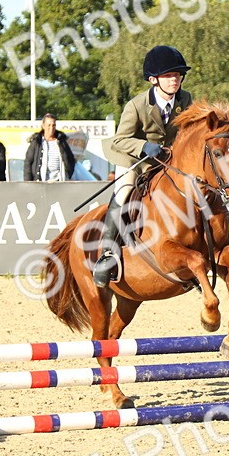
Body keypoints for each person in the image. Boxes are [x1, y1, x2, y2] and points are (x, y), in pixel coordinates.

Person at [93, 45, 194, 287]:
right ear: (153, 79)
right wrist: (143, 147)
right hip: (136, 160)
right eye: (169, 75)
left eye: (178, 75)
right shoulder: (136, 105)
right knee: (125, 191)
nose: (175, 80)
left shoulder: (186, 99)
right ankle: (107, 254)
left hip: (170, 162)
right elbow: (120, 139)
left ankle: (221, 243)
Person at [24, 114, 76, 182]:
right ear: (43, 126)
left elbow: (71, 159)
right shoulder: (37, 142)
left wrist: (68, 173)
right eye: (49, 125)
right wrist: (28, 182)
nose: (51, 128)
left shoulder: (61, 142)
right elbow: (28, 162)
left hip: (59, 182)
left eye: (53, 125)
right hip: (41, 182)